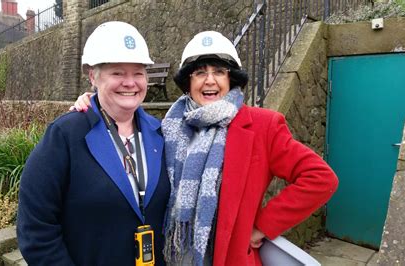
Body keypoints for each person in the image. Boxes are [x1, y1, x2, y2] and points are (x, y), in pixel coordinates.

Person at [72, 31, 338, 266]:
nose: (210, 81)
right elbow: (122, 120)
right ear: (188, 82)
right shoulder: (167, 128)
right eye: (200, 72)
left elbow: (320, 178)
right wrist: (94, 102)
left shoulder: (262, 126)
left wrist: (262, 227)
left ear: (231, 79)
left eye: (219, 72)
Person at [17, 21, 170, 265]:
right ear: (93, 76)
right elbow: (36, 227)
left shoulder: (161, 133)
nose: (130, 82)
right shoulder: (65, 135)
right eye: (117, 73)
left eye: (138, 73)